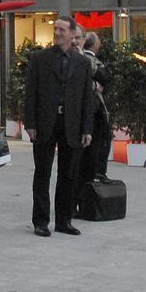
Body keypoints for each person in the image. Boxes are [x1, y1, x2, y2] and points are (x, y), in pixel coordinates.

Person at [21, 18, 92, 236]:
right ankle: (40, 221)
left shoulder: (82, 63)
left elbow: (86, 98)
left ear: (72, 34)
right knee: (42, 173)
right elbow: (30, 93)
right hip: (45, 123)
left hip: (71, 123)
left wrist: (87, 128)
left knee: (68, 174)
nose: (58, 32)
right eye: (56, 29)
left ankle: (64, 220)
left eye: (62, 29)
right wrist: (30, 123)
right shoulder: (39, 58)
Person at [79, 31, 112, 182]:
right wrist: (94, 85)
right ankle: (96, 172)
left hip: (91, 107)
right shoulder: (90, 61)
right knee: (97, 141)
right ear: (95, 45)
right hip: (94, 108)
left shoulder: (85, 59)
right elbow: (106, 78)